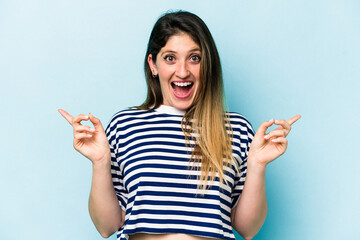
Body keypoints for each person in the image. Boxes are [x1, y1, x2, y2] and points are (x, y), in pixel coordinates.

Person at [59, 10, 300, 240]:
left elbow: (247, 229)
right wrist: (100, 162)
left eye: (194, 58)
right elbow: (106, 226)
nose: (182, 71)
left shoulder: (236, 129)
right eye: (170, 58)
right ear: (153, 65)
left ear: (208, 65)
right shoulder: (124, 126)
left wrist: (257, 165)